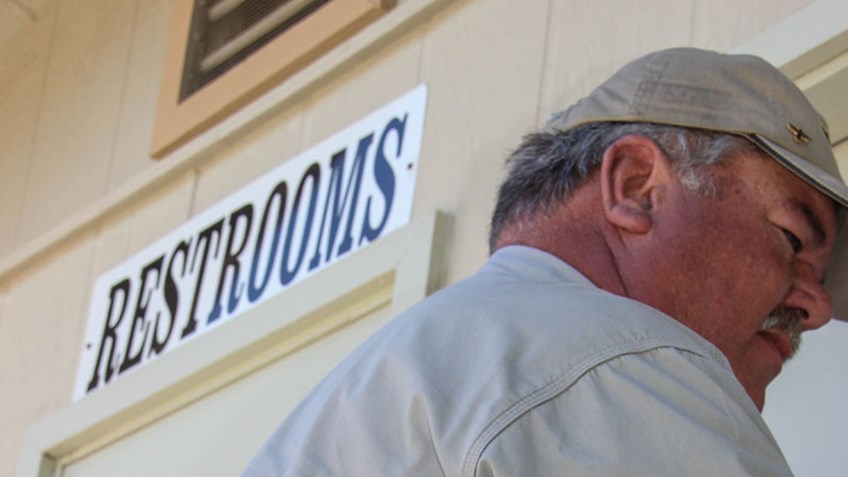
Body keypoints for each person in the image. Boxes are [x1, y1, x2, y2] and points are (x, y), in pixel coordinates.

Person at [242, 48, 848, 476]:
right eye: (793, 238)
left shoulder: (425, 367)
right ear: (637, 187)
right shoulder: (617, 361)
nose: (815, 306)